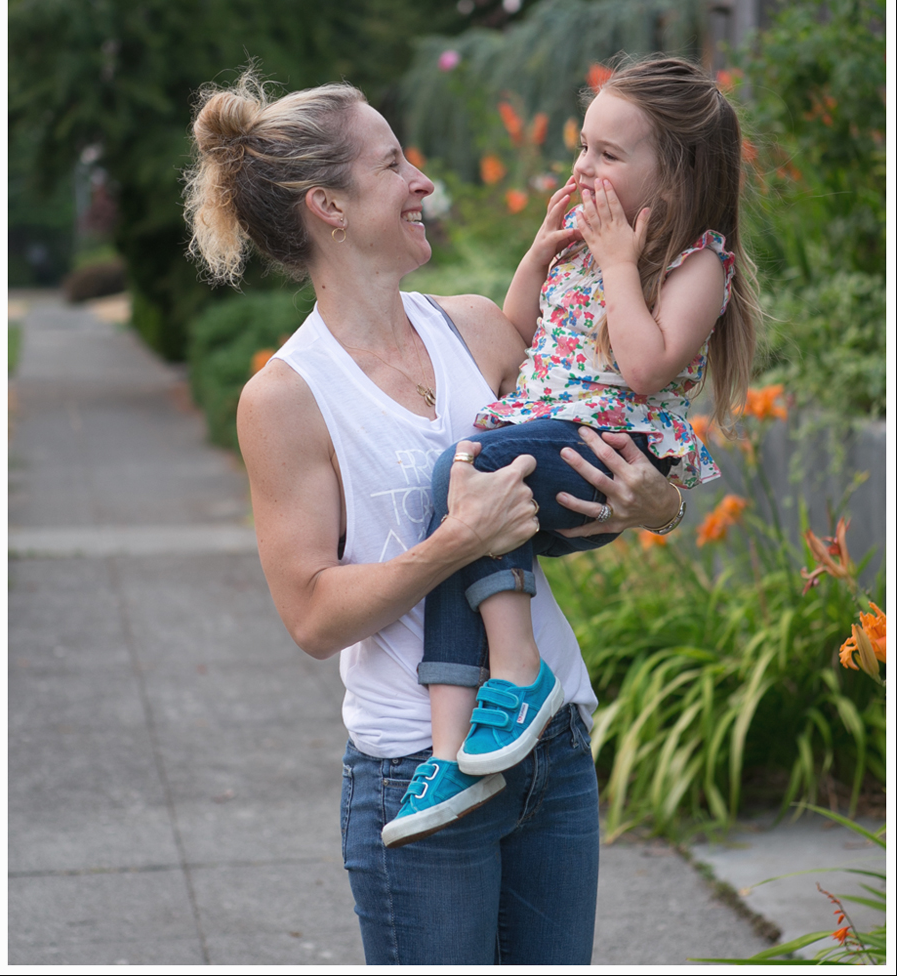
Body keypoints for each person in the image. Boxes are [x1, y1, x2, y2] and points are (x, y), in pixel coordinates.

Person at [183, 68, 683, 965]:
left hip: (553, 749)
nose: (423, 182)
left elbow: (588, 455)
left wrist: (660, 505)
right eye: (392, 165)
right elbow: (312, 616)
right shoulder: (286, 398)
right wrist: (457, 542)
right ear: (329, 207)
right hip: (415, 769)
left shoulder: (478, 329)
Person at [383, 57, 761, 849]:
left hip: (609, 448)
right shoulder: (585, 251)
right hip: (551, 435)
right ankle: (450, 756)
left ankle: (521, 672)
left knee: (469, 476)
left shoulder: (698, 260)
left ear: (677, 172)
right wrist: (537, 256)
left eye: (608, 154)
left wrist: (620, 262)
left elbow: (645, 367)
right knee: (461, 525)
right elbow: (515, 341)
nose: (584, 167)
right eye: (583, 146)